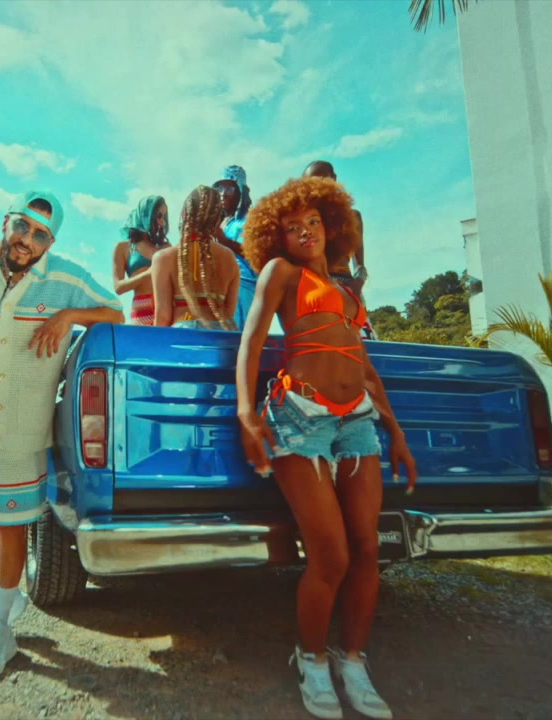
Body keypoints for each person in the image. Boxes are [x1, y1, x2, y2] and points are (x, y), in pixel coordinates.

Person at [234, 176, 417, 720]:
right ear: (278, 238)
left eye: (313, 222)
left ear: (330, 226)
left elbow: (365, 366)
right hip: (301, 420)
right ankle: (312, 660)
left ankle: (352, 661)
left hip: (357, 422)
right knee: (330, 555)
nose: (305, 233)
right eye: (293, 227)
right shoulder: (281, 273)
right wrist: (246, 414)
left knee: (367, 548)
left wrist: (396, 432)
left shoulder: (345, 290)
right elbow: (251, 341)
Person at [0, 190, 124, 680]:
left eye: (40, 234)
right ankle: (0, 595)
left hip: (22, 427)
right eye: (22, 226)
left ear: (50, 242)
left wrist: (68, 316)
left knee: (11, 522)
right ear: (5, 222)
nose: (27, 239)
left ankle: (1, 629)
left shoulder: (67, 278)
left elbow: (115, 312)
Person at [302, 160, 374, 340]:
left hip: (348, 288)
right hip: (314, 291)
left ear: (333, 178)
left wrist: (357, 283)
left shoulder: (352, 216)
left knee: (358, 343)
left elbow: (360, 264)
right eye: (311, 182)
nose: (317, 186)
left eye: (322, 178)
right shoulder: (303, 221)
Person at [151, 186, 240, 330]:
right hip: (220, 337)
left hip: (183, 335)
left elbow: (163, 317)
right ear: (217, 220)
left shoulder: (163, 258)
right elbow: (228, 313)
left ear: (184, 213)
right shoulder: (229, 257)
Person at [111, 195, 170, 324]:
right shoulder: (124, 247)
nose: (162, 221)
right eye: (159, 215)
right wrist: (148, 273)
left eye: (164, 217)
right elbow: (118, 287)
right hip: (141, 311)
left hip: (166, 309)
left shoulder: (166, 247)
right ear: (146, 214)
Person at [212, 164, 256, 330]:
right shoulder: (220, 221)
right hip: (218, 287)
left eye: (229, 189)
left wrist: (222, 239)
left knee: (235, 338)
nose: (223, 194)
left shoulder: (250, 220)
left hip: (241, 286)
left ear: (240, 192)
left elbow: (255, 253)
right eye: (219, 189)